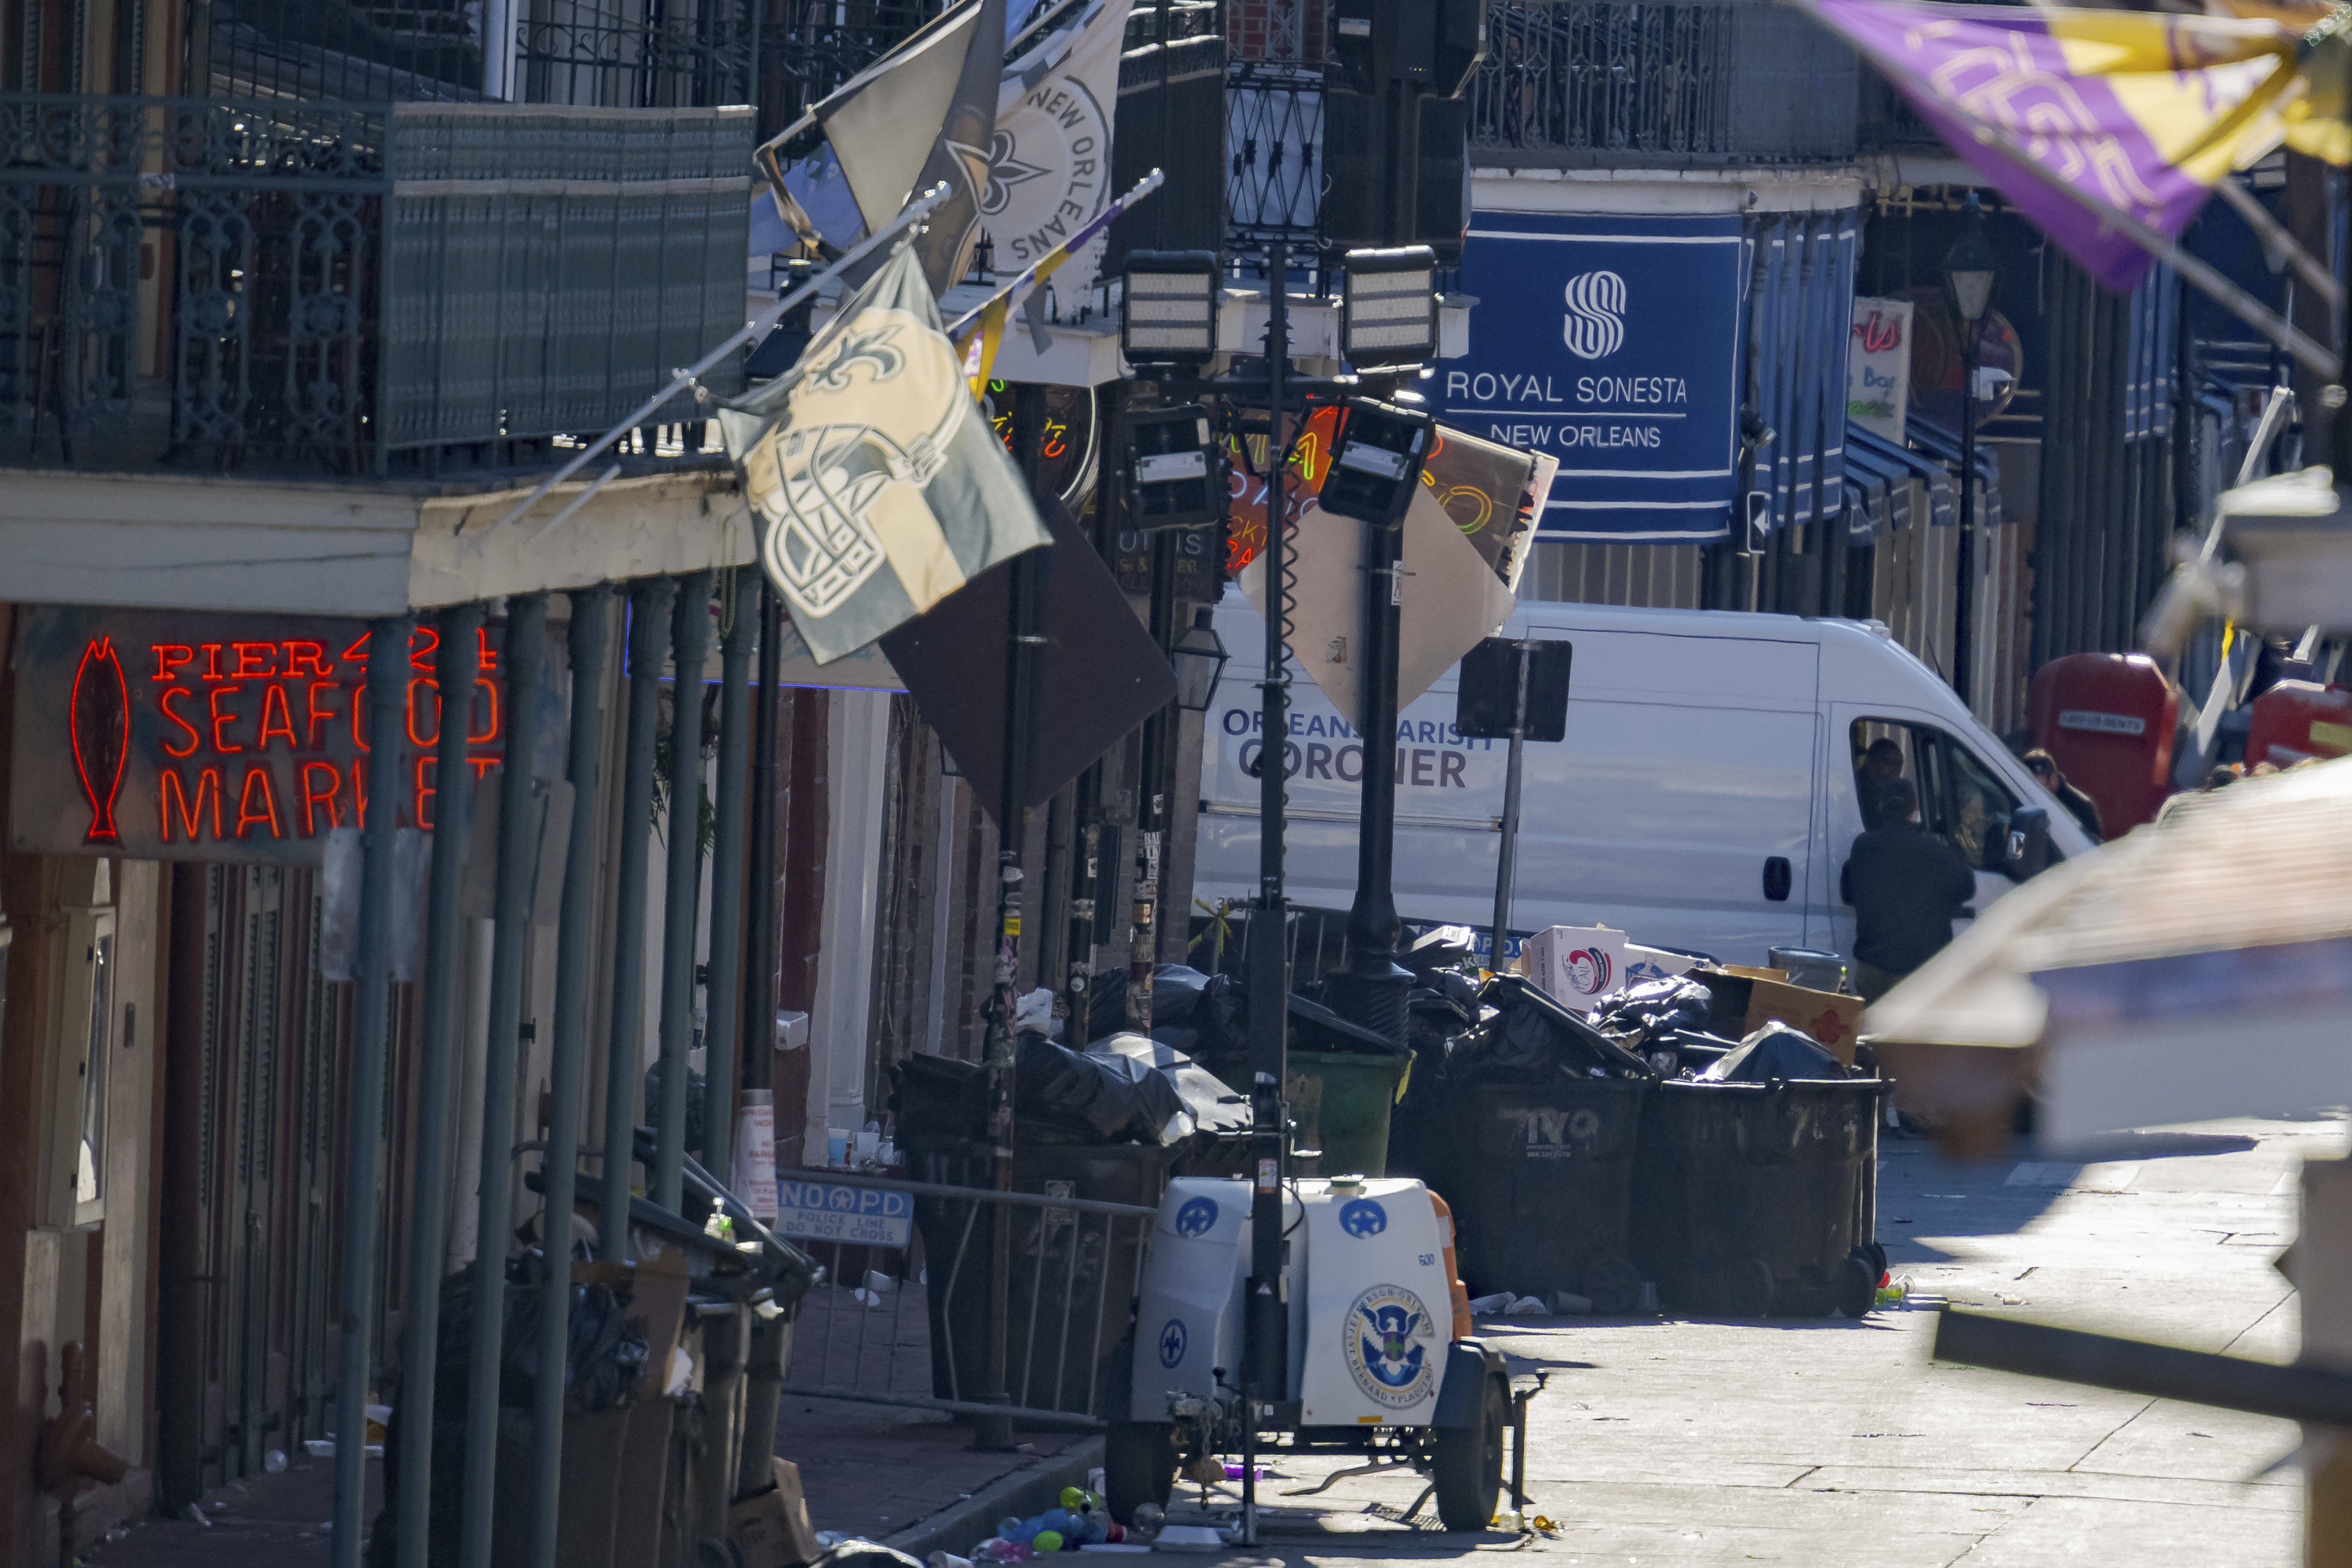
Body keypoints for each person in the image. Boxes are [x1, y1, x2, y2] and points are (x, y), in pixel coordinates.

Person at [1841, 777, 1977, 1002]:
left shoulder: (1863, 847)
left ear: (1881, 807)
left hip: (1871, 972)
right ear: (1916, 809)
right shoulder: (1934, 851)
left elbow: (1848, 892)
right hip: (1916, 976)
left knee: (1869, 1035)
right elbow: (1966, 888)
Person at [2022, 748, 2102, 841]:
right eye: (2029, 783)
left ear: (2053, 780)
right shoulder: (2018, 797)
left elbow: (2091, 846)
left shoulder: (2081, 806)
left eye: (2039, 785)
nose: (2033, 790)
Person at [1856, 737, 1907, 828]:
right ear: (1871, 762)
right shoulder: (1857, 789)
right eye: (1889, 763)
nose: (1896, 770)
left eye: (1899, 765)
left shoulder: (1901, 791)